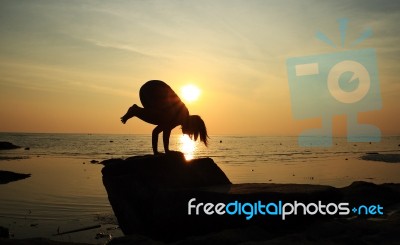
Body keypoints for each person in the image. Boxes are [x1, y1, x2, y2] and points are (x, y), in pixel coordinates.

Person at [121, 80, 208, 154]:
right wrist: (166, 151)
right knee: (160, 117)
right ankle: (135, 110)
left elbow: (157, 131)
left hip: (147, 90)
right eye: (191, 133)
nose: (188, 134)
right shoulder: (179, 116)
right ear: (192, 126)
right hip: (152, 89)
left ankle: (136, 111)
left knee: (159, 117)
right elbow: (164, 130)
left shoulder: (177, 118)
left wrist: (158, 152)